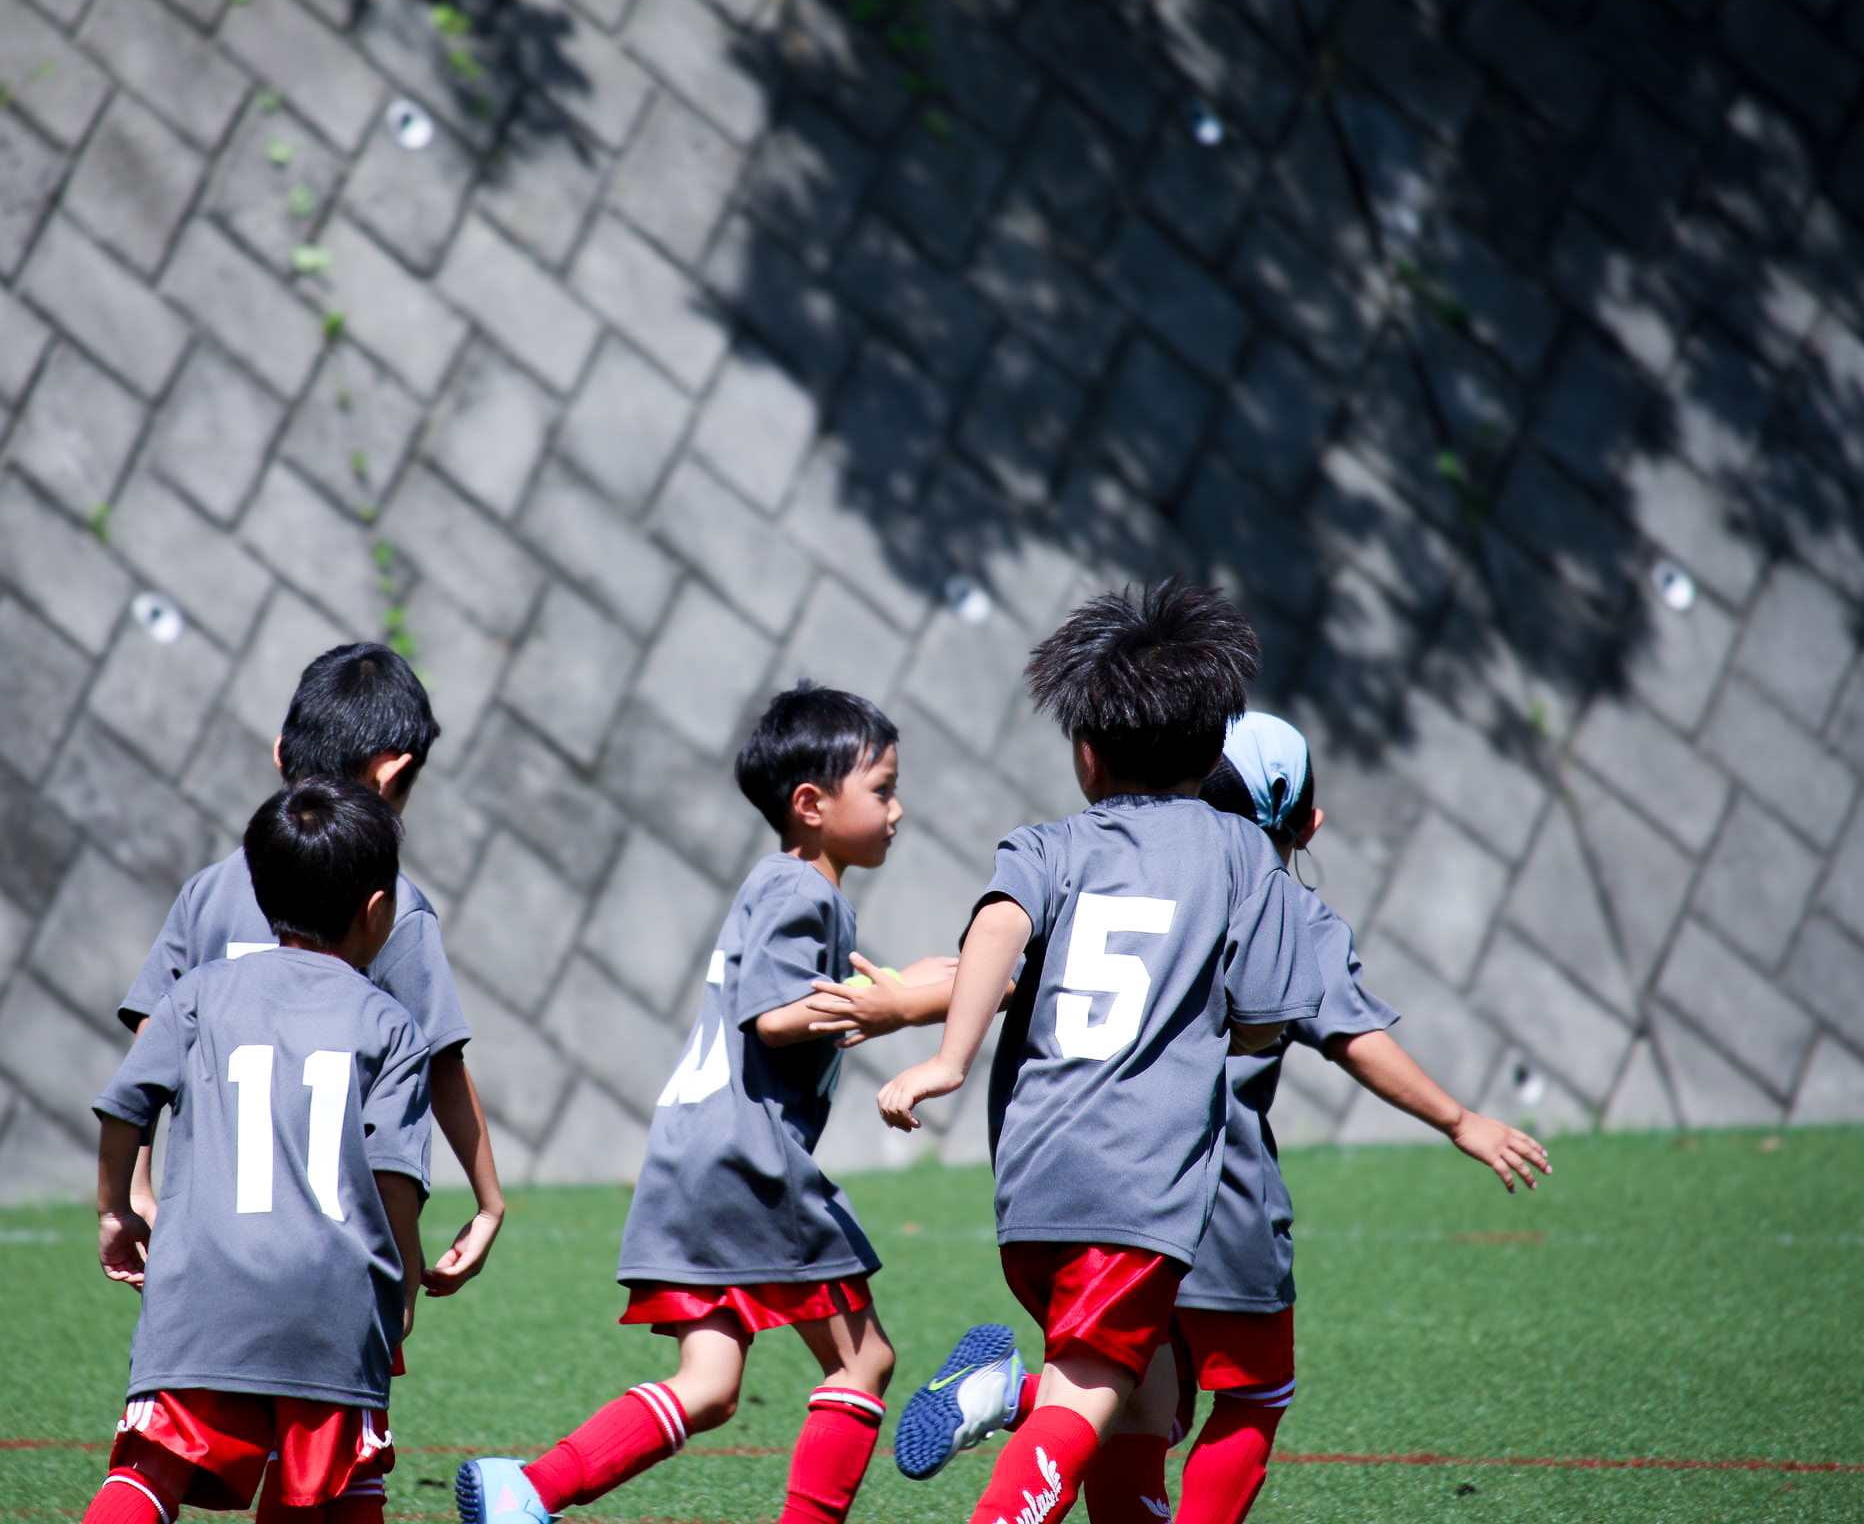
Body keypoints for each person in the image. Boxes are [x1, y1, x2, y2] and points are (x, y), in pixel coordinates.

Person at [896, 712, 1552, 1524]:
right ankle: (1015, 1405)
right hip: (1210, 1194)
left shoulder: (1084, 856)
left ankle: (1010, 1392)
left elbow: (996, 960)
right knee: (1248, 1393)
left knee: (1136, 1397)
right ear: (1307, 823)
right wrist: (1460, 1120)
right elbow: (1348, 1034)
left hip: (1061, 1174)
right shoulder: (1271, 891)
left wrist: (907, 1011)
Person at [456, 683, 957, 1524]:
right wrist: (898, 1007)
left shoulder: (781, 887)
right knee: (863, 1362)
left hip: (691, 1157)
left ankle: (528, 1492)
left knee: (711, 1387)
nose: (898, 809)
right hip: (750, 1162)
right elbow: (773, 1017)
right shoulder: (805, 893)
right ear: (811, 804)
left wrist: (893, 993)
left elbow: (790, 1003)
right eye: (882, 790)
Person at [877, 582, 1324, 1524]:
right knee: (1089, 1400)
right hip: (1141, 1190)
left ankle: (998, 1393)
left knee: (1143, 1398)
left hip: (1032, 1182)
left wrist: (951, 1059)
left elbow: (997, 928)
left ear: (1086, 753)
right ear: (1211, 753)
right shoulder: (1241, 856)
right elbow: (1268, 1015)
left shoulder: (1046, 845)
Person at [83, 777, 433, 1524]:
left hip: (201, 1292)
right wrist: (401, 1280)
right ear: (377, 912)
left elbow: (124, 1107)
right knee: (337, 1488)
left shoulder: (197, 996)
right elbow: (394, 1175)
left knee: (148, 1477)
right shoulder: (390, 1024)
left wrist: (115, 1208)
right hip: (332, 1301)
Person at [120, 642, 503, 1296]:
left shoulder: (207, 893)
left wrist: (136, 1180)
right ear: (391, 775)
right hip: (336, 1259)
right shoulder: (392, 909)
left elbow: (151, 1041)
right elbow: (441, 1059)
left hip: (202, 1246)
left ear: (280, 755)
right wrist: (489, 1200)